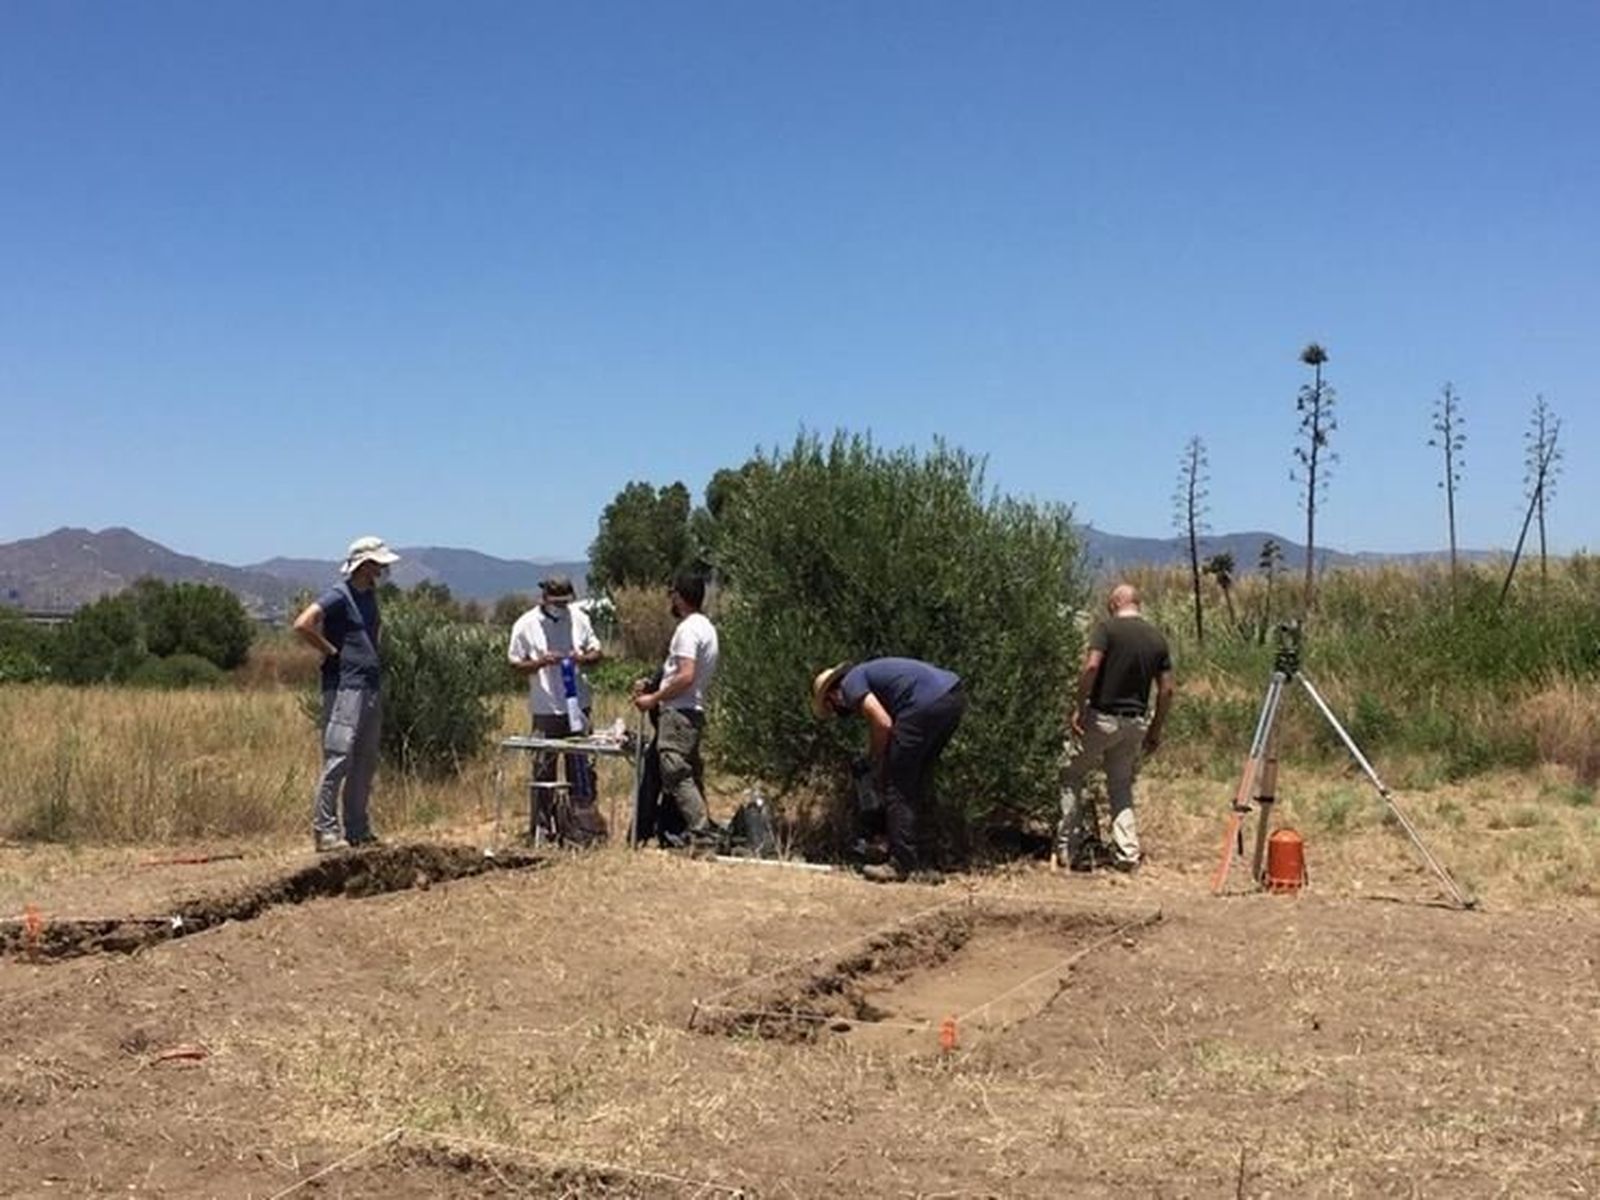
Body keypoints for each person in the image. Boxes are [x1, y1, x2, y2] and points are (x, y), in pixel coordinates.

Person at [811, 657, 966, 883]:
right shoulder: (866, 674)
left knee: (897, 784)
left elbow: (882, 722)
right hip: (952, 696)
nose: (838, 712)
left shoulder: (850, 684)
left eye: (831, 708)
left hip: (922, 704)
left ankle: (901, 864)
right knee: (918, 781)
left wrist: (874, 759)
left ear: (832, 696)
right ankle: (924, 864)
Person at [1058, 583, 1175, 873]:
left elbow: (1091, 667)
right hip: (1135, 722)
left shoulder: (1106, 629)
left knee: (1071, 773)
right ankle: (1127, 853)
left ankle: (1068, 848)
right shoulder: (1157, 638)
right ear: (1137, 603)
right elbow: (1167, 690)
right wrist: (1155, 729)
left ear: (1114, 603)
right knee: (1120, 784)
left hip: (1103, 717)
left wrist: (1080, 705)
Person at [293, 536, 400, 852]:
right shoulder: (339, 595)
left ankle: (357, 829)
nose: (382, 569)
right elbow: (303, 623)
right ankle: (325, 830)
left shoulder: (370, 596)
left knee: (365, 760)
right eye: (377, 563)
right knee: (339, 757)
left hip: (369, 684)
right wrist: (330, 650)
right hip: (345, 686)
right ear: (365, 564)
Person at [507, 575, 605, 841]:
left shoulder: (580, 618)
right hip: (546, 709)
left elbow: (597, 653)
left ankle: (583, 828)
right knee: (543, 771)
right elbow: (515, 664)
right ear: (544, 598)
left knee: (582, 771)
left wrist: (581, 658)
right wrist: (540, 663)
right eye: (556, 602)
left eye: (565, 602)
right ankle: (542, 829)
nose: (561, 607)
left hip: (578, 708)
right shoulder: (525, 625)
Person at [632, 572, 719, 844]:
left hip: (678, 712)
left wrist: (653, 698)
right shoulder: (706, 627)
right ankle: (665, 829)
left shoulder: (687, 630)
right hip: (693, 710)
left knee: (676, 772)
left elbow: (685, 675)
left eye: (672, 594)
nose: (671, 599)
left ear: (680, 597)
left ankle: (701, 831)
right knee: (686, 772)